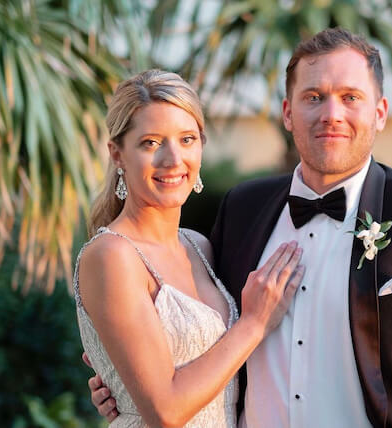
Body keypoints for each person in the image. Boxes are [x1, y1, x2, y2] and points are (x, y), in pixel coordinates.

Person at [88, 28, 392, 427]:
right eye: (313, 97)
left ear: (381, 112)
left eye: (350, 97)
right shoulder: (242, 210)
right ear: (288, 113)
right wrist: (126, 387)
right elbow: (190, 334)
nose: (331, 114)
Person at [74, 69, 305, 428]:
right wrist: (254, 322)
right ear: (117, 154)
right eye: (150, 142)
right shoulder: (112, 256)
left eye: (186, 139)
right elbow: (165, 412)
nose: (172, 158)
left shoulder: (200, 247)